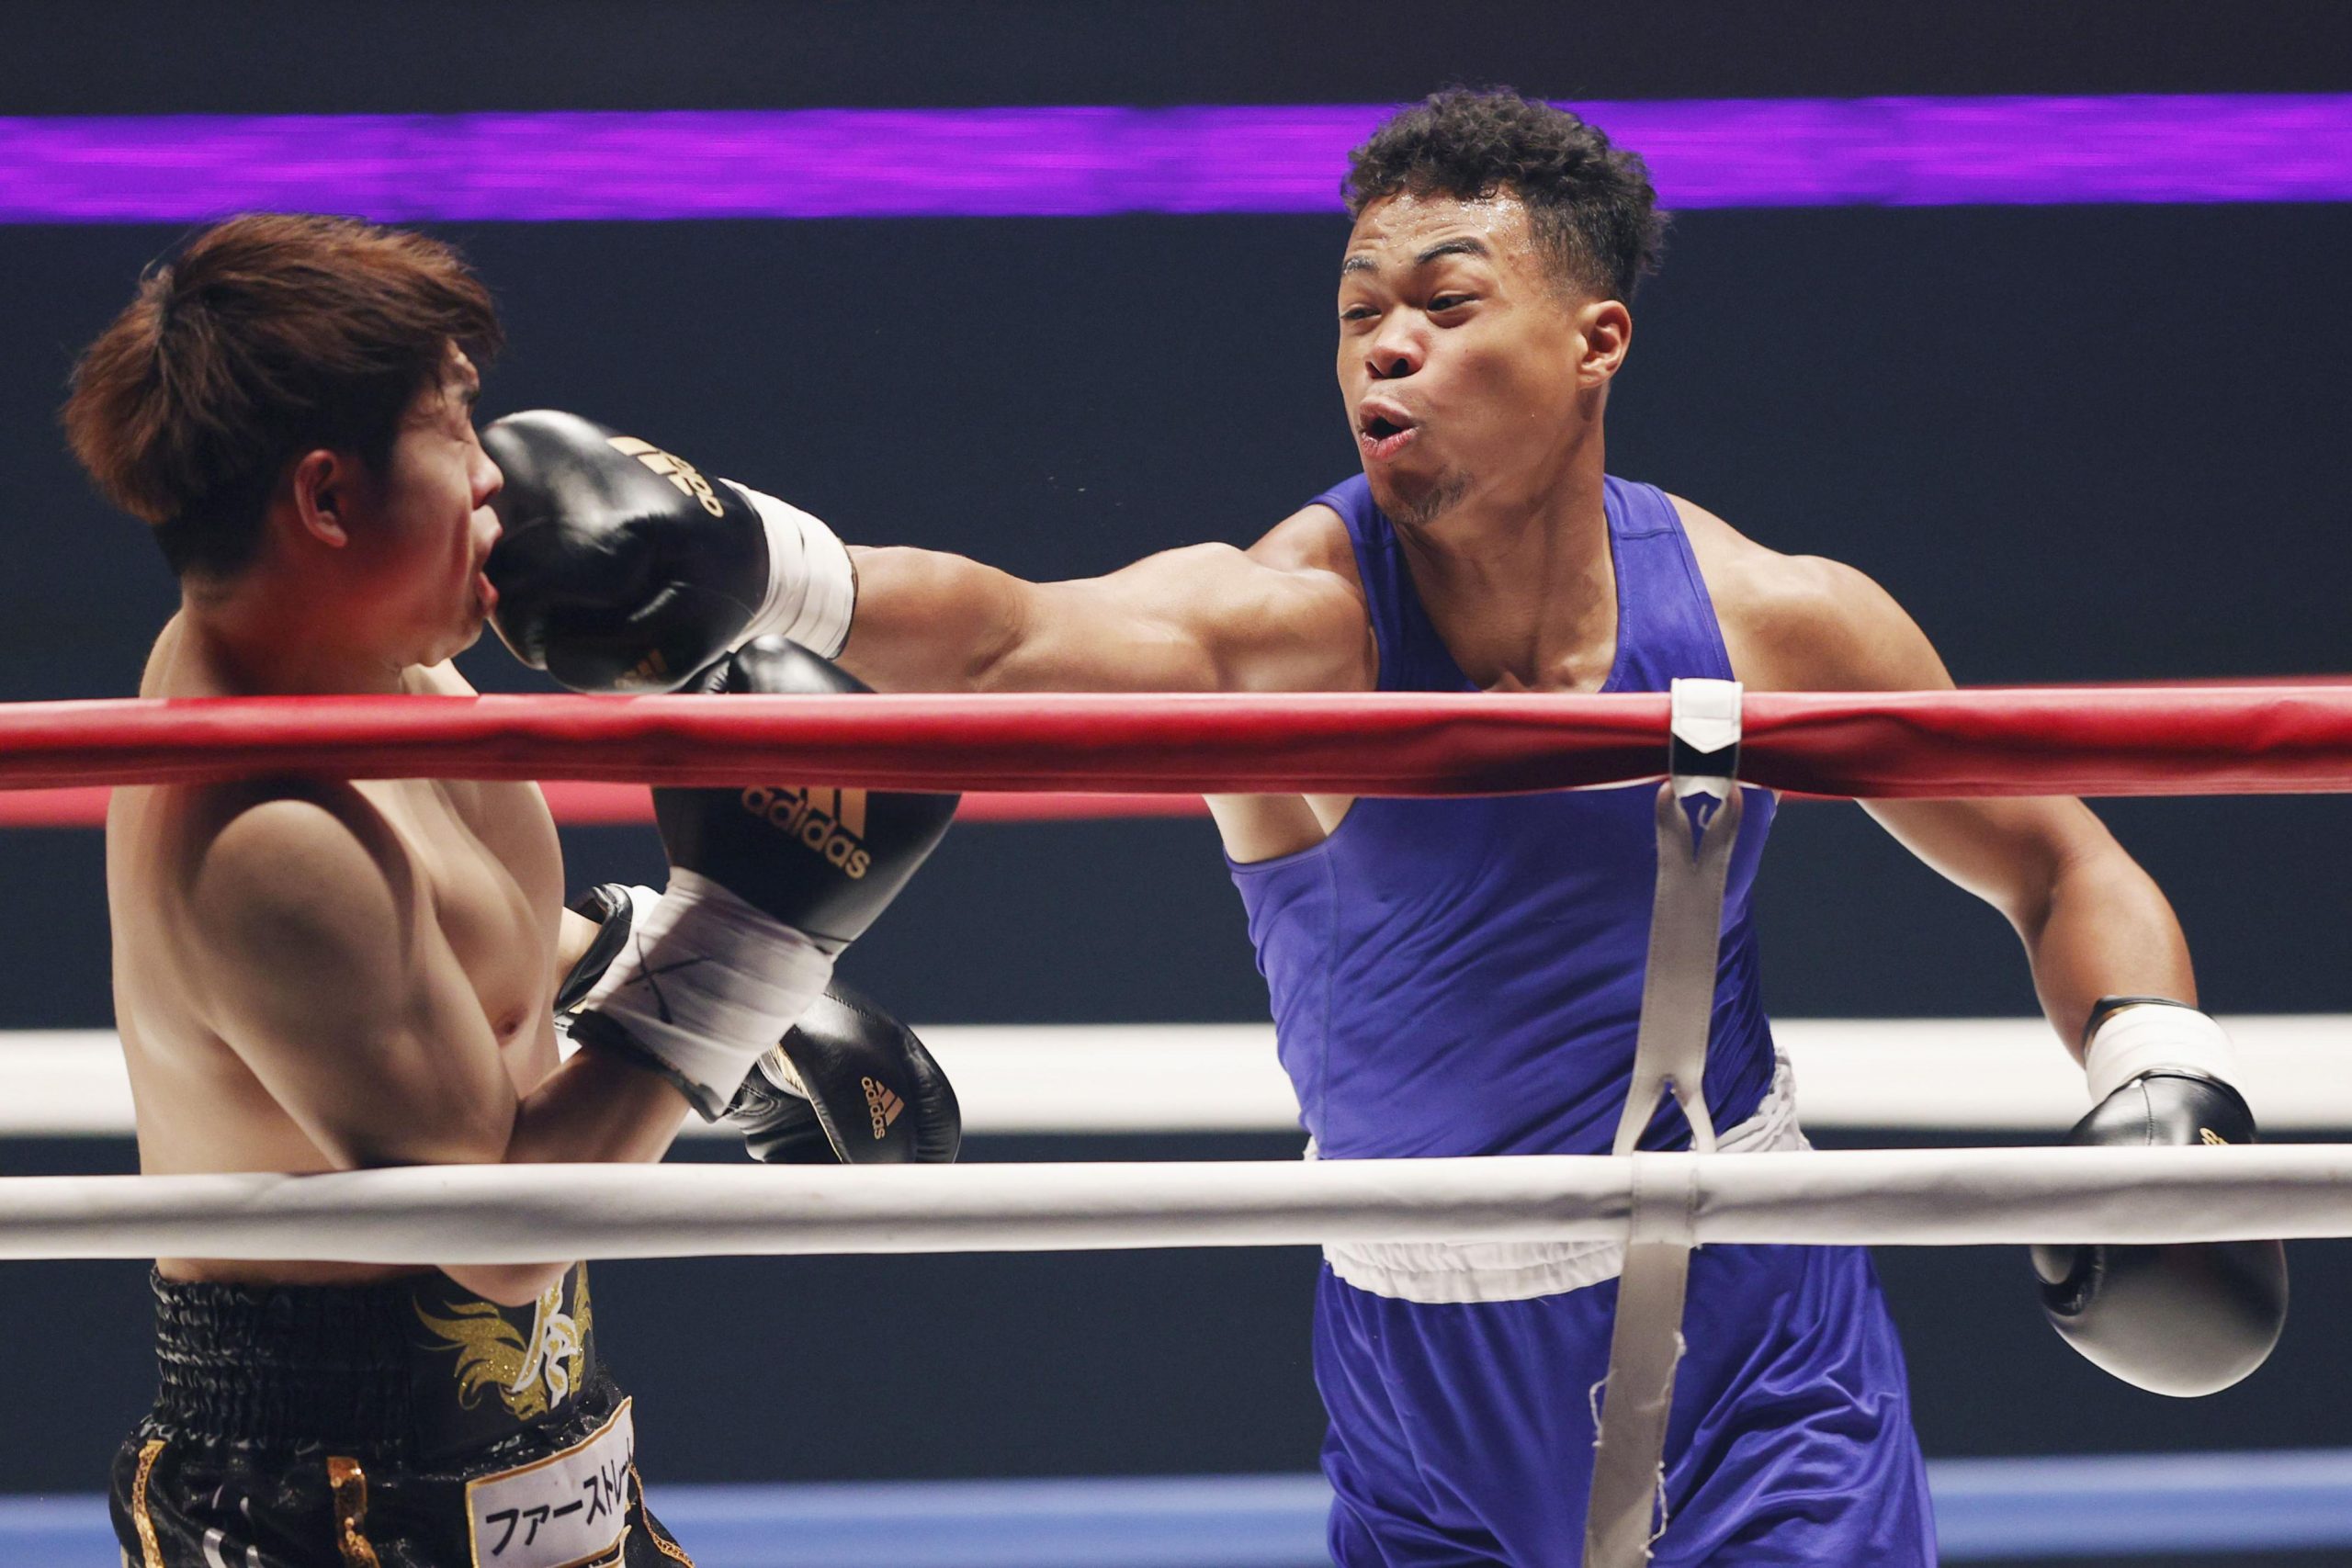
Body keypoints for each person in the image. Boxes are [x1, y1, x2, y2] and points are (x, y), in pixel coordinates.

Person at [481, 90, 2287, 1564]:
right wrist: (764, 563)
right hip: (1420, 1365)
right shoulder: (1300, 623)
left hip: (1758, 1330)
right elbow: (1024, 628)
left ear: (1595, 340)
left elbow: (2062, 855)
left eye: (1441, 301)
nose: (1386, 347)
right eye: (1357, 312)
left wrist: (2154, 1076)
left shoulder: (1767, 613)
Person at [63, 212, 957, 1568]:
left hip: (549, 1453)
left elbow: (452, 949)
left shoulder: (390, 674)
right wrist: (742, 952)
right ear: (326, 499)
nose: (496, 477)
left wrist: (639, 954)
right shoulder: (269, 837)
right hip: (327, 1499)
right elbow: (499, 1240)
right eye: (453, 432)